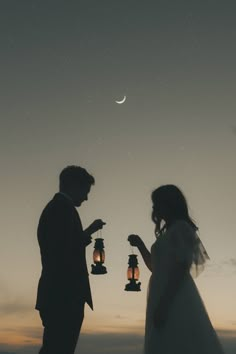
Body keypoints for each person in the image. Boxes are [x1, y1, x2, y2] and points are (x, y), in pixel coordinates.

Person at [128, 184, 225, 354]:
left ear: (169, 204)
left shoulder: (181, 228)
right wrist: (140, 245)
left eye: (157, 203)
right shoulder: (169, 232)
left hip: (174, 297)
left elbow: (182, 267)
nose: (154, 208)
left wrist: (164, 304)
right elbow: (155, 267)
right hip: (162, 293)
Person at [35, 165, 106, 354]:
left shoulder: (59, 208)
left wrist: (88, 231)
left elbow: (64, 245)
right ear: (74, 185)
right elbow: (62, 252)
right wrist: (86, 235)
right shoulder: (60, 209)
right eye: (86, 191)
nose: (86, 197)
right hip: (63, 295)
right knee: (59, 348)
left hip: (60, 295)